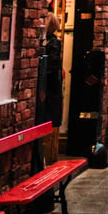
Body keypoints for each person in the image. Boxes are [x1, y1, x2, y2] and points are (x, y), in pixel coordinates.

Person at [44, 14, 63, 164]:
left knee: (49, 120)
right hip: (50, 89)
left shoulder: (54, 43)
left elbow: (51, 66)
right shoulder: (48, 41)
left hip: (50, 91)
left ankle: (49, 157)